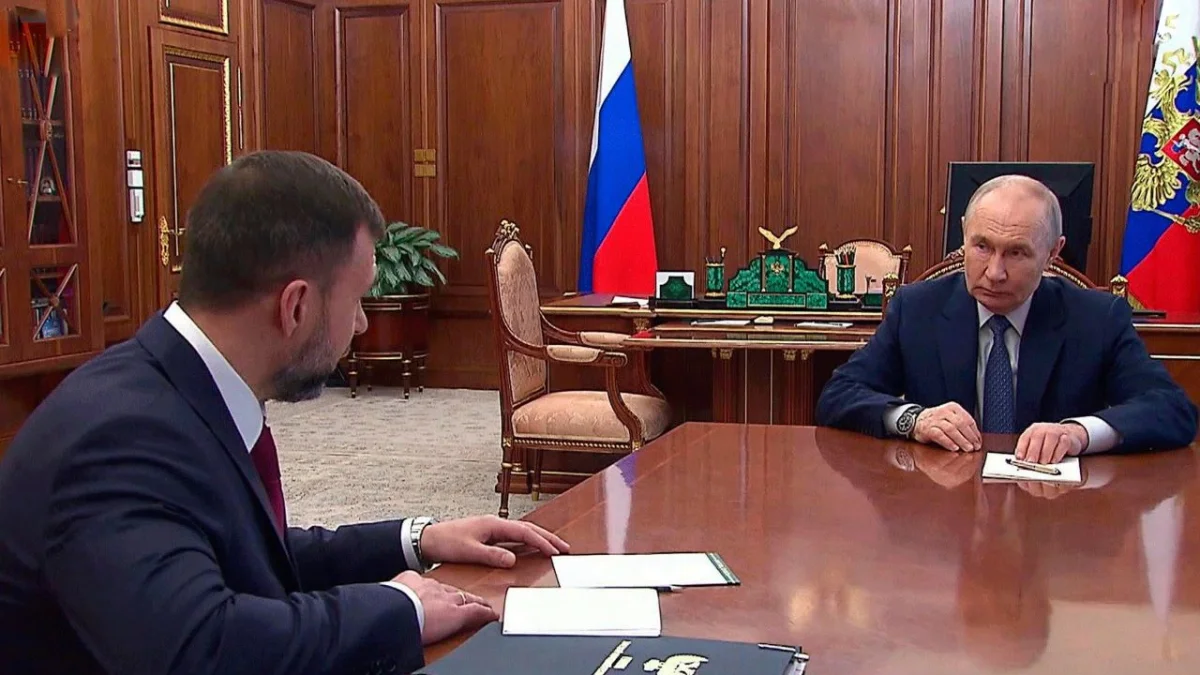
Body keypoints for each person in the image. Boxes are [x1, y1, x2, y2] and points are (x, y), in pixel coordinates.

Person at [0, 151, 569, 674]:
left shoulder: (178, 388)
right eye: (357, 301)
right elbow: (202, 650)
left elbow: (247, 557)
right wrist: (402, 606)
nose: (362, 325)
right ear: (295, 305)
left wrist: (419, 540)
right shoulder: (118, 440)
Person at [816, 174, 1197, 463]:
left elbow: (1173, 410)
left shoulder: (1096, 319)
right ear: (964, 235)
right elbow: (838, 395)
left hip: (1056, 517)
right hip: (942, 513)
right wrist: (913, 420)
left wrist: (1079, 433)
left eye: (1017, 253)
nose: (994, 273)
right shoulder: (917, 309)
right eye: (982, 246)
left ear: (1053, 253)